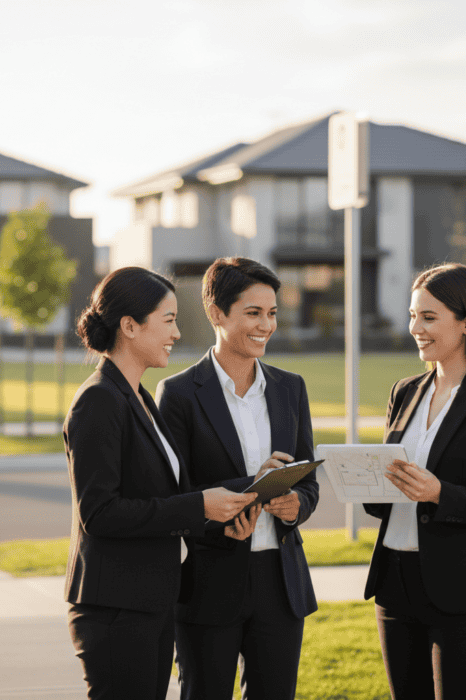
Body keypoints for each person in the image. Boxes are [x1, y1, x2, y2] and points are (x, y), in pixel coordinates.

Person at [64, 266, 258, 700]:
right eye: (168, 320)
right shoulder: (98, 400)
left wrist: (237, 501)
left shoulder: (139, 397)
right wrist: (200, 507)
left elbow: (164, 498)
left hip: (149, 602)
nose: (176, 332)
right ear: (129, 326)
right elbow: (99, 513)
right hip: (116, 608)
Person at [363, 263, 466, 700]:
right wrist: (366, 482)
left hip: (465, 591)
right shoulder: (405, 391)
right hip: (395, 585)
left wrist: (441, 494)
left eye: (429, 317)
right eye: (413, 315)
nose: (415, 327)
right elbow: (389, 496)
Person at [155, 257, 319, 700]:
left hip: (281, 582)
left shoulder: (291, 388)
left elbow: (308, 480)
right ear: (216, 314)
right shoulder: (179, 394)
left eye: (272, 313)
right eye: (253, 313)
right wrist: (245, 492)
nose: (266, 325)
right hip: (211, 578)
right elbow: (174, 495)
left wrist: (296, 505)